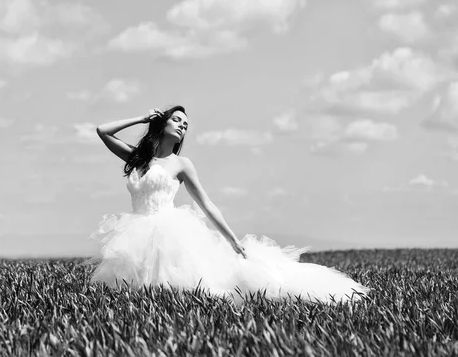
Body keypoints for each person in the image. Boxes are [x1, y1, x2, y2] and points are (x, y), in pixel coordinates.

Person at [85, 106, 369, 304]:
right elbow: (102, 131)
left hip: (168, 232)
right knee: (133, 292)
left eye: (186, 124)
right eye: (177, 120)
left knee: (182, 287)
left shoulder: (181, 164)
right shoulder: (138, 158)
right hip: (136, 230)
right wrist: (142, 118)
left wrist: (233, 240)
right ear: (162, 124)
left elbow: (207, 204)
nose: (183, 126)